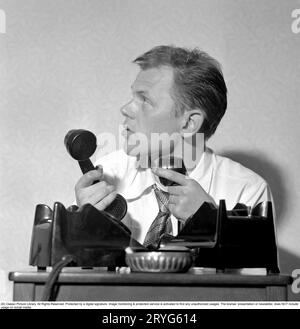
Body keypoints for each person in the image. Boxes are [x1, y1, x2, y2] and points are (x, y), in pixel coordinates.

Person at [74, 45, 273, 245]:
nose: (125, 109)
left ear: (189, 123)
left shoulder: (247, 189)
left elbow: (258, 275)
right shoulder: (108, 173)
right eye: (133, 96)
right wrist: (83, 229)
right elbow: (64, 271)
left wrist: (211, 223)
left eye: (144, 100)